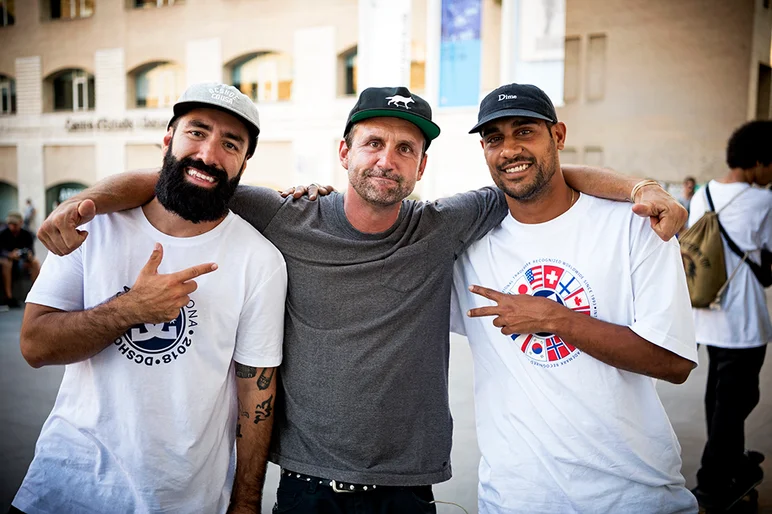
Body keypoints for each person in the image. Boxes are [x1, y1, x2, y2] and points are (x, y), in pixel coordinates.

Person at [36, 85, 687, 514]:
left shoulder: (446, 224)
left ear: (422, 168)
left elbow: (541, 174)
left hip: (410, 491)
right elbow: (179, 176)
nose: (387, 159)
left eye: (406, 148)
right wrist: (81, 203)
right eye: (373, 142)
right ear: (344, 151)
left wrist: (641, 188)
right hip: (306, 486)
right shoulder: (284, 215)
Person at [11, 83, 287, 514]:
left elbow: (256, 395)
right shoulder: (94, 227)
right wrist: (131, 309)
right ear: (168, 140)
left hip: (180, 499)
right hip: (62, 487)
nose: (209, 154)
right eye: (196, 132)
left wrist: (247, 502)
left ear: (243, 163)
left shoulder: (260, 260)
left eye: (230, 144)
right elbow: (35, 346)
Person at [451, 83, 698, 513]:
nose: (509, 150)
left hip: (633, 497)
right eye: (494, 139)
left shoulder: (636, 227)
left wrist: (557, 318)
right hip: (515, 501)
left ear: (558, 136)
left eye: (524, 131)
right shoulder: (469, 245)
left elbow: (674, 363)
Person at [688, 120, 772, 511]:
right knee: (738, 399)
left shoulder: (702, 194)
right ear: (758, 161)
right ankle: (713, 481)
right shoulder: (763, 201)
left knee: (719, 397)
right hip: (744, 323)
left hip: (709, 317)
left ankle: (733, 460)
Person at [1, 211, 41, 308]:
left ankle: (38, 294)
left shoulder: (27, 234)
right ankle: (9, 297)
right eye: (10, 224)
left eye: (14, 224)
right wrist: (10, 254)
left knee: (35, 262)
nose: (12, 227)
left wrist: (28, 255)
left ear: (21, 223)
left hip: (22, 260)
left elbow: (31, 250)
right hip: (7, 260)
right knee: (6, 264)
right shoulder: (3, 233)